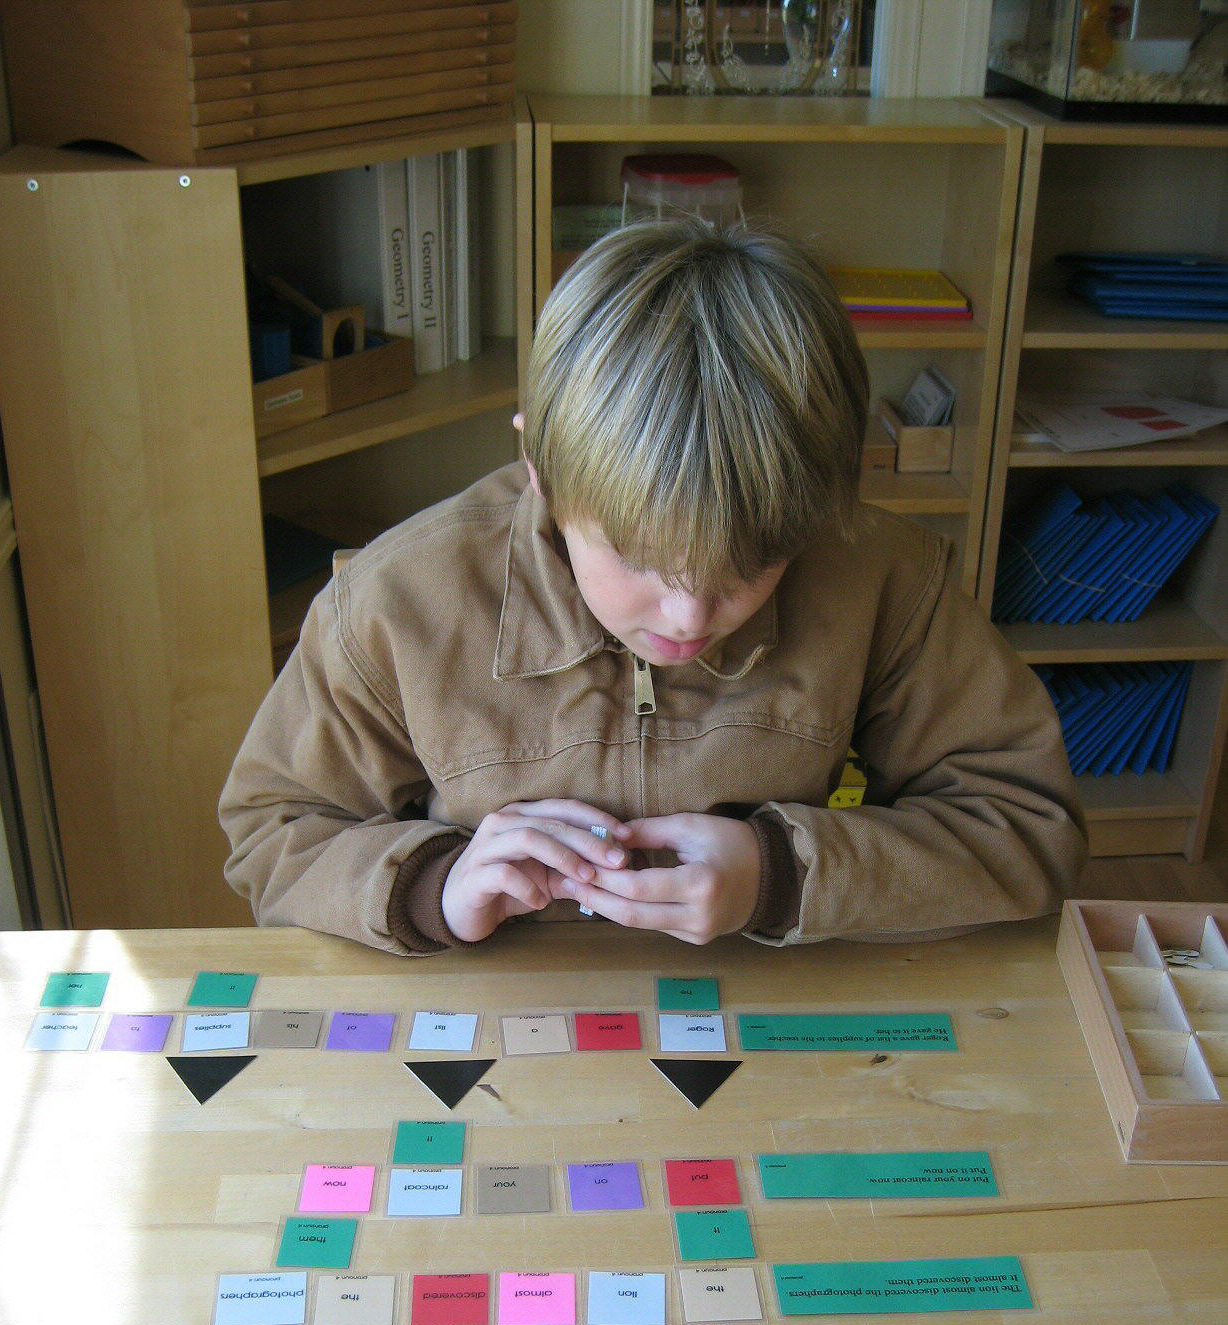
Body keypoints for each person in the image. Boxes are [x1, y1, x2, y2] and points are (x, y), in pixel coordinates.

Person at [220, 217, 1087, 955]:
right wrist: (432, 889)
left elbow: (1027, 830)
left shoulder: (884, 575)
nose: (690, 615)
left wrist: (780, 877)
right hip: (502, 1010)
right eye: (638, 557)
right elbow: (272, 833)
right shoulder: (395, 601)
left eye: (755, 563)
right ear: (540, 469)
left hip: (776, 1005)